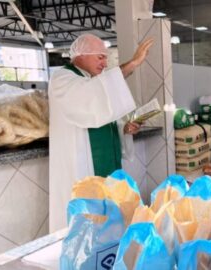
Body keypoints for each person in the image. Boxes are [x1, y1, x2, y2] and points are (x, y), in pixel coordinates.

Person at [48, 34, 154, 232]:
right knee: (85, 221)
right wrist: (132, 64)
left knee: (107, 220)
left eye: (106, 58)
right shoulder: (63, 78)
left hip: (104, 164)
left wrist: (124, 128)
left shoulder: (92, 82)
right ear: (81, 55)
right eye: (100, 57)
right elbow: (91, 97)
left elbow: (101, 115)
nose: (105, 64)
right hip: (79, 162)